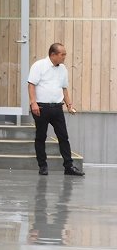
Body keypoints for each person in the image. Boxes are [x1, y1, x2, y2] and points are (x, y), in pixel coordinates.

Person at [28, 43, 83, 176]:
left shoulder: (63, 69)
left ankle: (68, 166)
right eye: (62, 54)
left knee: (63, 136)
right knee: (41, 137)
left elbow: (64, 88)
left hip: (57, 108)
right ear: (53, 54)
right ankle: (42, 166)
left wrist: (69, 105)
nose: (64, 57)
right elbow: (31, 85)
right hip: (41, 107)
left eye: (65, 54)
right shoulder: (39, 65)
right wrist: (33, 103)